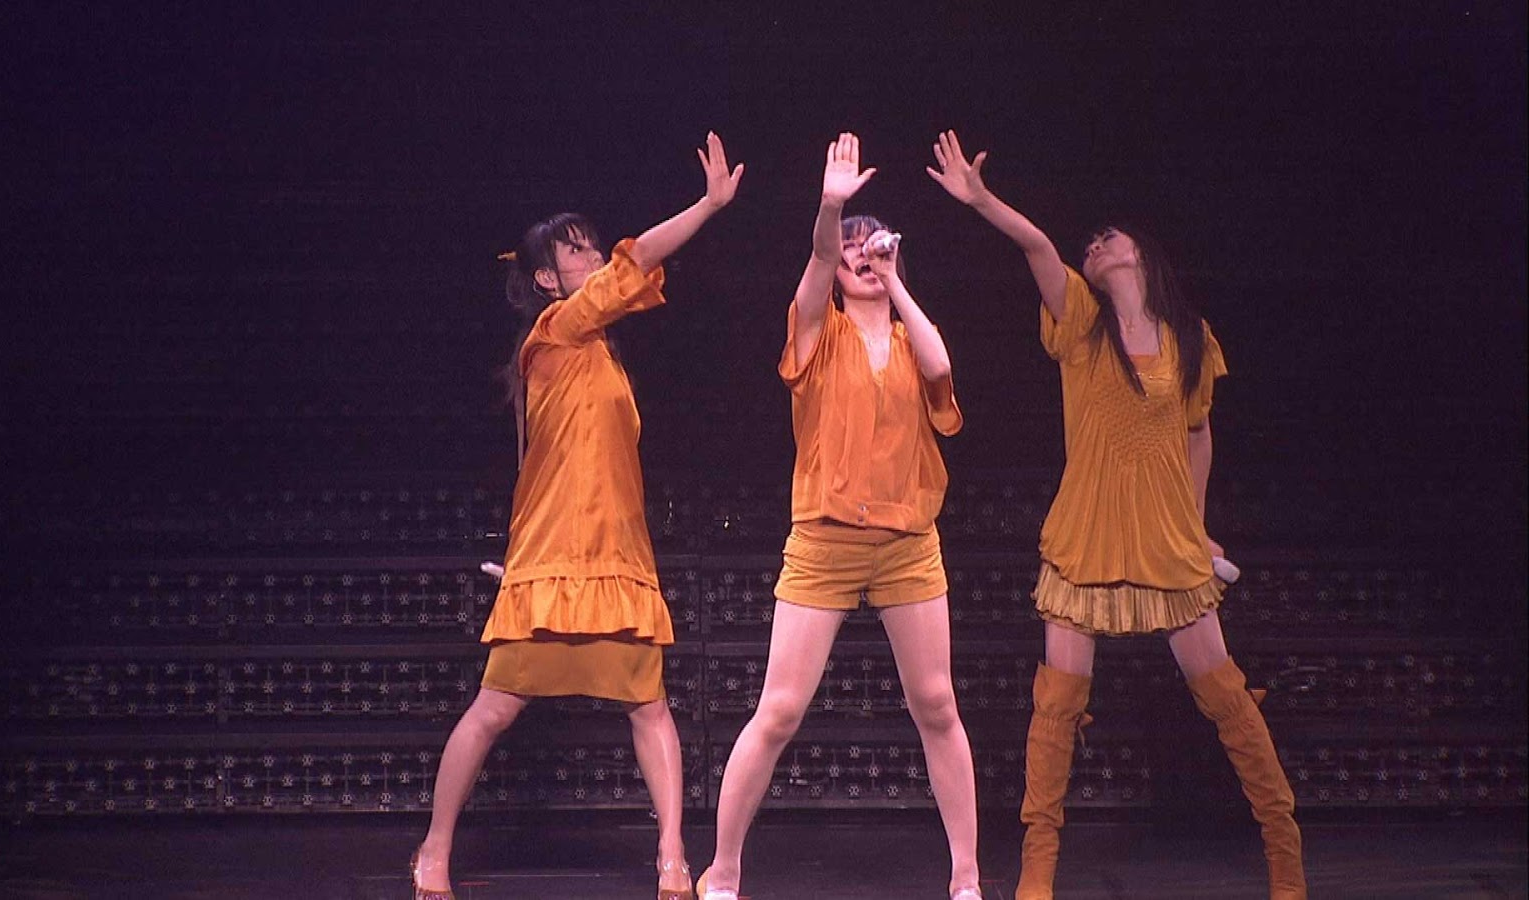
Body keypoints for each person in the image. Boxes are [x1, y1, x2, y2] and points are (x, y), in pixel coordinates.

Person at [926, 129, 1306, 899]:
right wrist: (981, 199)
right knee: (1057, 707)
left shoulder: (1190, 340)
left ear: (1143, 255)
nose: (1095, 245)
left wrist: (1195, 523)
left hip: (1166, 541)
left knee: (1227, 701)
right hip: (1088, 535)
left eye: (1109, 237)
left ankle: (1287, 861)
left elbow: (1198, 433)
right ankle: (1038, 874)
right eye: (1090, 243)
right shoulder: (1080, 325)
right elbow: (1037, 247)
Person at [410, 133, 744, 900]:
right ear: (545, 278)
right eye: (576, 249)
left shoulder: (603, 354)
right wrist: (707, 206)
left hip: (616, 557)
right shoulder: (555, 330)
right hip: (557, 561)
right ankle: (433, 849)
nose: (593, 255)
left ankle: (671, 857)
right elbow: (638, 260)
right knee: (493, 710)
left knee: (650, 707)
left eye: (592, 244)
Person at [697, 133, 983, 900]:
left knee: (937, 704)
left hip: (907, 542)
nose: (859, 254)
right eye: (852, 247)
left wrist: (897, 285)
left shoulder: (910, 336)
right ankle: (722, 871)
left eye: (874, 244)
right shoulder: (816, 332)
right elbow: (821, 261)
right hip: (824, 542)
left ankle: (965, 878)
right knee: (780, 710)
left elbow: (941, 368)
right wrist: (832, 208)